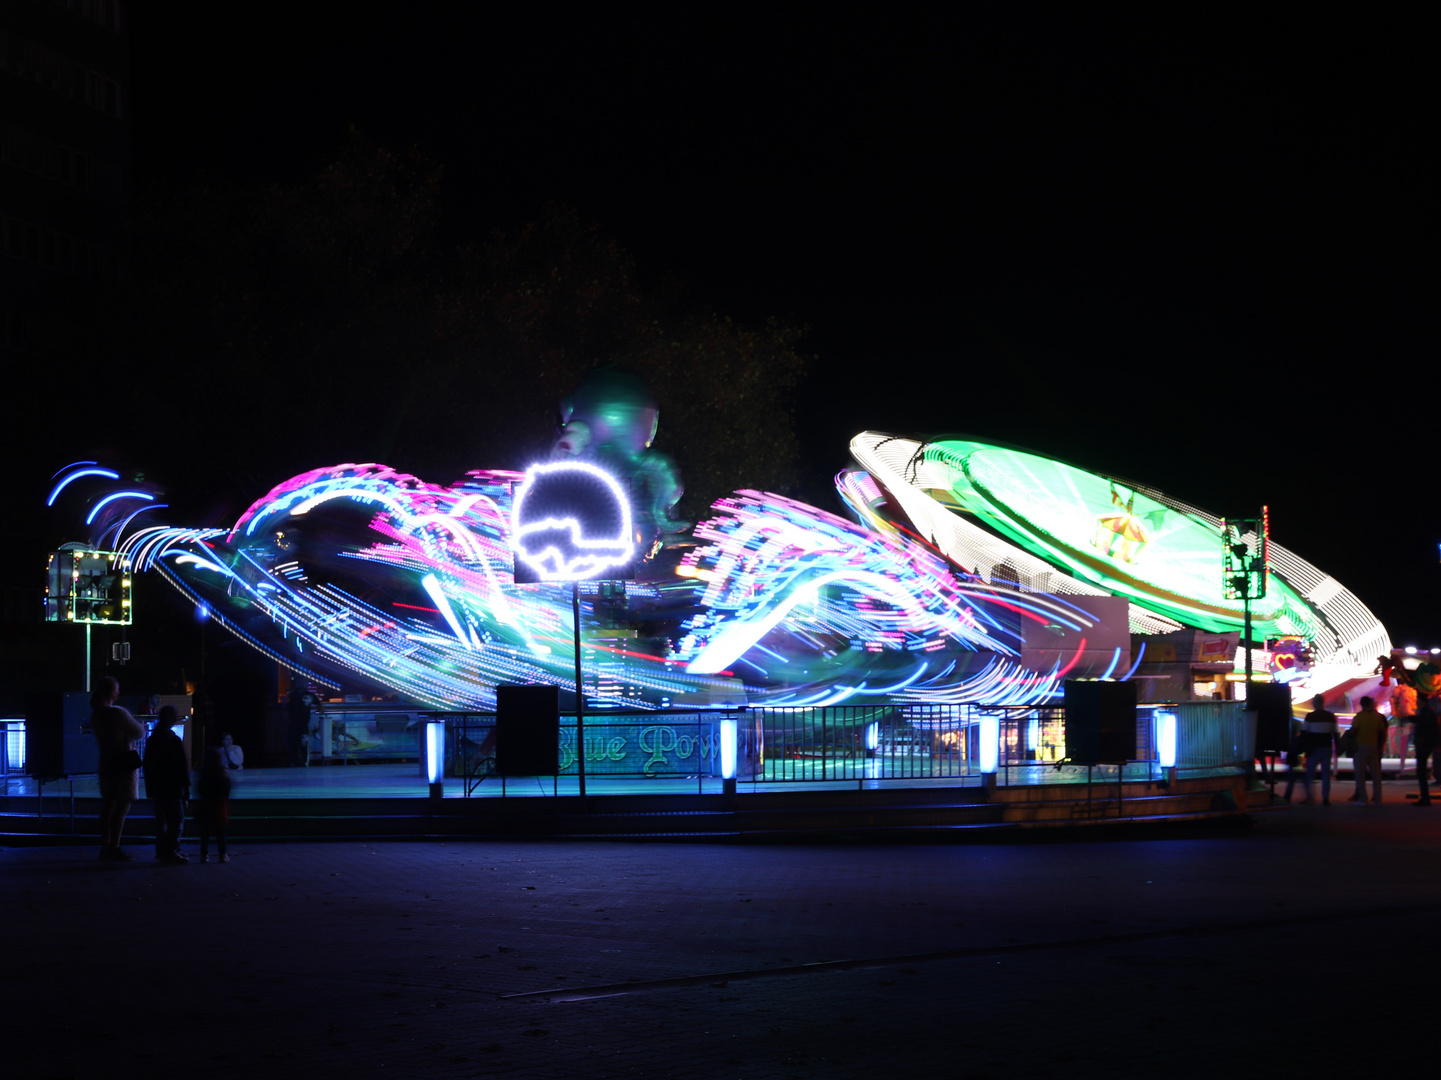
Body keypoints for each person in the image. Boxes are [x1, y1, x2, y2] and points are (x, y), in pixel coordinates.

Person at [90, 676, 144, 860]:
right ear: (112, 693)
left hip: (107, 762)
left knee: (108, 806)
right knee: (121, 808)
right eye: (117, 689)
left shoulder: (96, 715)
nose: (119, 692)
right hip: (123, 764)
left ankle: (105, 845)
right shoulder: (117, 713)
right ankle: (115, 846)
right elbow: (138, 732)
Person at [142, 705, 190, 862]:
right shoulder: (174, 740)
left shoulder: (152, 740)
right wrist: (186, 791)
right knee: (176, 821)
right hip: (173, 787)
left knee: (161, 821)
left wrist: (150, 788)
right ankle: (172, 850)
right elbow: (182, 767)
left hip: (158, 788)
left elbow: (148, 765)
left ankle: (162, 851)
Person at [1298, 694, 1339, 806]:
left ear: (1315, 703)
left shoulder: (1310, 716)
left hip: (1314, 748)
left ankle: (1310, 796)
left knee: (1310, 774)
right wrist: (1337, 749)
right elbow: (1335, 733)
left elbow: (1304, 733)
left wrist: (1302, 747)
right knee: (1325, 774)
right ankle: (1325, 798)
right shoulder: (1330, 716)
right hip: (1326, 748)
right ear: (1323, 702)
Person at [1347, 696, 1386, 805]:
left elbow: (1354, 731)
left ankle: (1363, 799)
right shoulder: (1376, 716)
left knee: (1360, 775)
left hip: (1361, 747)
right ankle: (1378, 799)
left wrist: (1349, 733)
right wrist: (1380, 746)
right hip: (1374, 746)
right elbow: (1382, 731)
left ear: (1361, 704)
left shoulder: (1359, 716)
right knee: (1376, 775)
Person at [195, 747, 232, 863]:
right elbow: (227, 789)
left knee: (205, 833)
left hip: (206, 805)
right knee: (220, 832)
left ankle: (204, 855)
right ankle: (222, 854)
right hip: (219, 805)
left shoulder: (204, 772)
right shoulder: (222, 773)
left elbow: (200, 789)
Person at [1413, 697, 1438, 806]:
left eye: (1418, 701)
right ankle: (1424, 796)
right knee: (1421, 771)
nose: (1417, 703)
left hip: (1424, 744)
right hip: (1425, 744)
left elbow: (1428, 729)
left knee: (1421, 771)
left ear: (1423, 702)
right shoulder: (1426, 713)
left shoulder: (1426, 714)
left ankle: (1425, 797)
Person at [1389, 681, 1417, 776]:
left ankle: (1400, 758)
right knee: (1404, 737)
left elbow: (1393, 700)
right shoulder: (1406, 690)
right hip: (1408, 715)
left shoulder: (1403, 689)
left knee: (1403, 737)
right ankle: (1400, 759)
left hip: (1406, 715)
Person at [286, 685, 316, 767]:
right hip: (303, 723)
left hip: (294, 723)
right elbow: (318, 704)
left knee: (294, 743)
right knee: (303, 743)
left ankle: (295, 761)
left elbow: (287, 708)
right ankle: (303, 761)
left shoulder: (292, 695)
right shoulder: (309, 696)